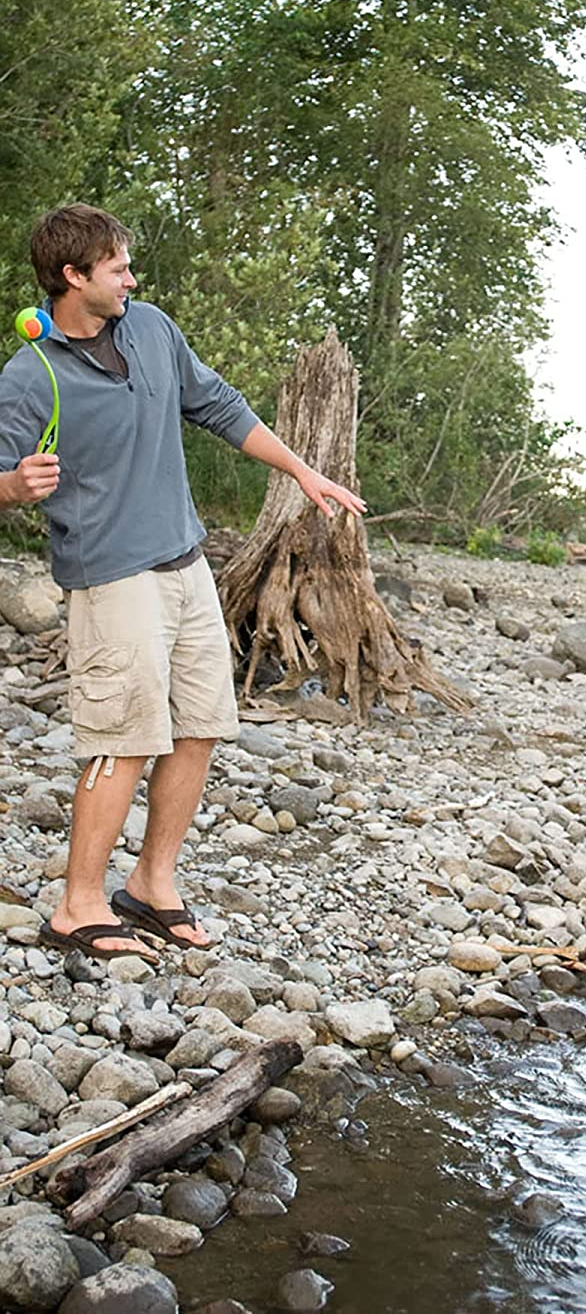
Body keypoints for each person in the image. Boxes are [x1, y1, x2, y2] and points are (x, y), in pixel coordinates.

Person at [0, 203, 365, 961]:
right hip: (110, 577)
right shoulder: (29, 374)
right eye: (117, 269)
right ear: (73, 278)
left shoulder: (152, 328)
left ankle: (152, 886)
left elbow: (220, 406)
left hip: (184, 561)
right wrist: (13, 486)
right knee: (122, 741)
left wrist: (302, 470)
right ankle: (78, 905)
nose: (132, 278)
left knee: (199, 726)